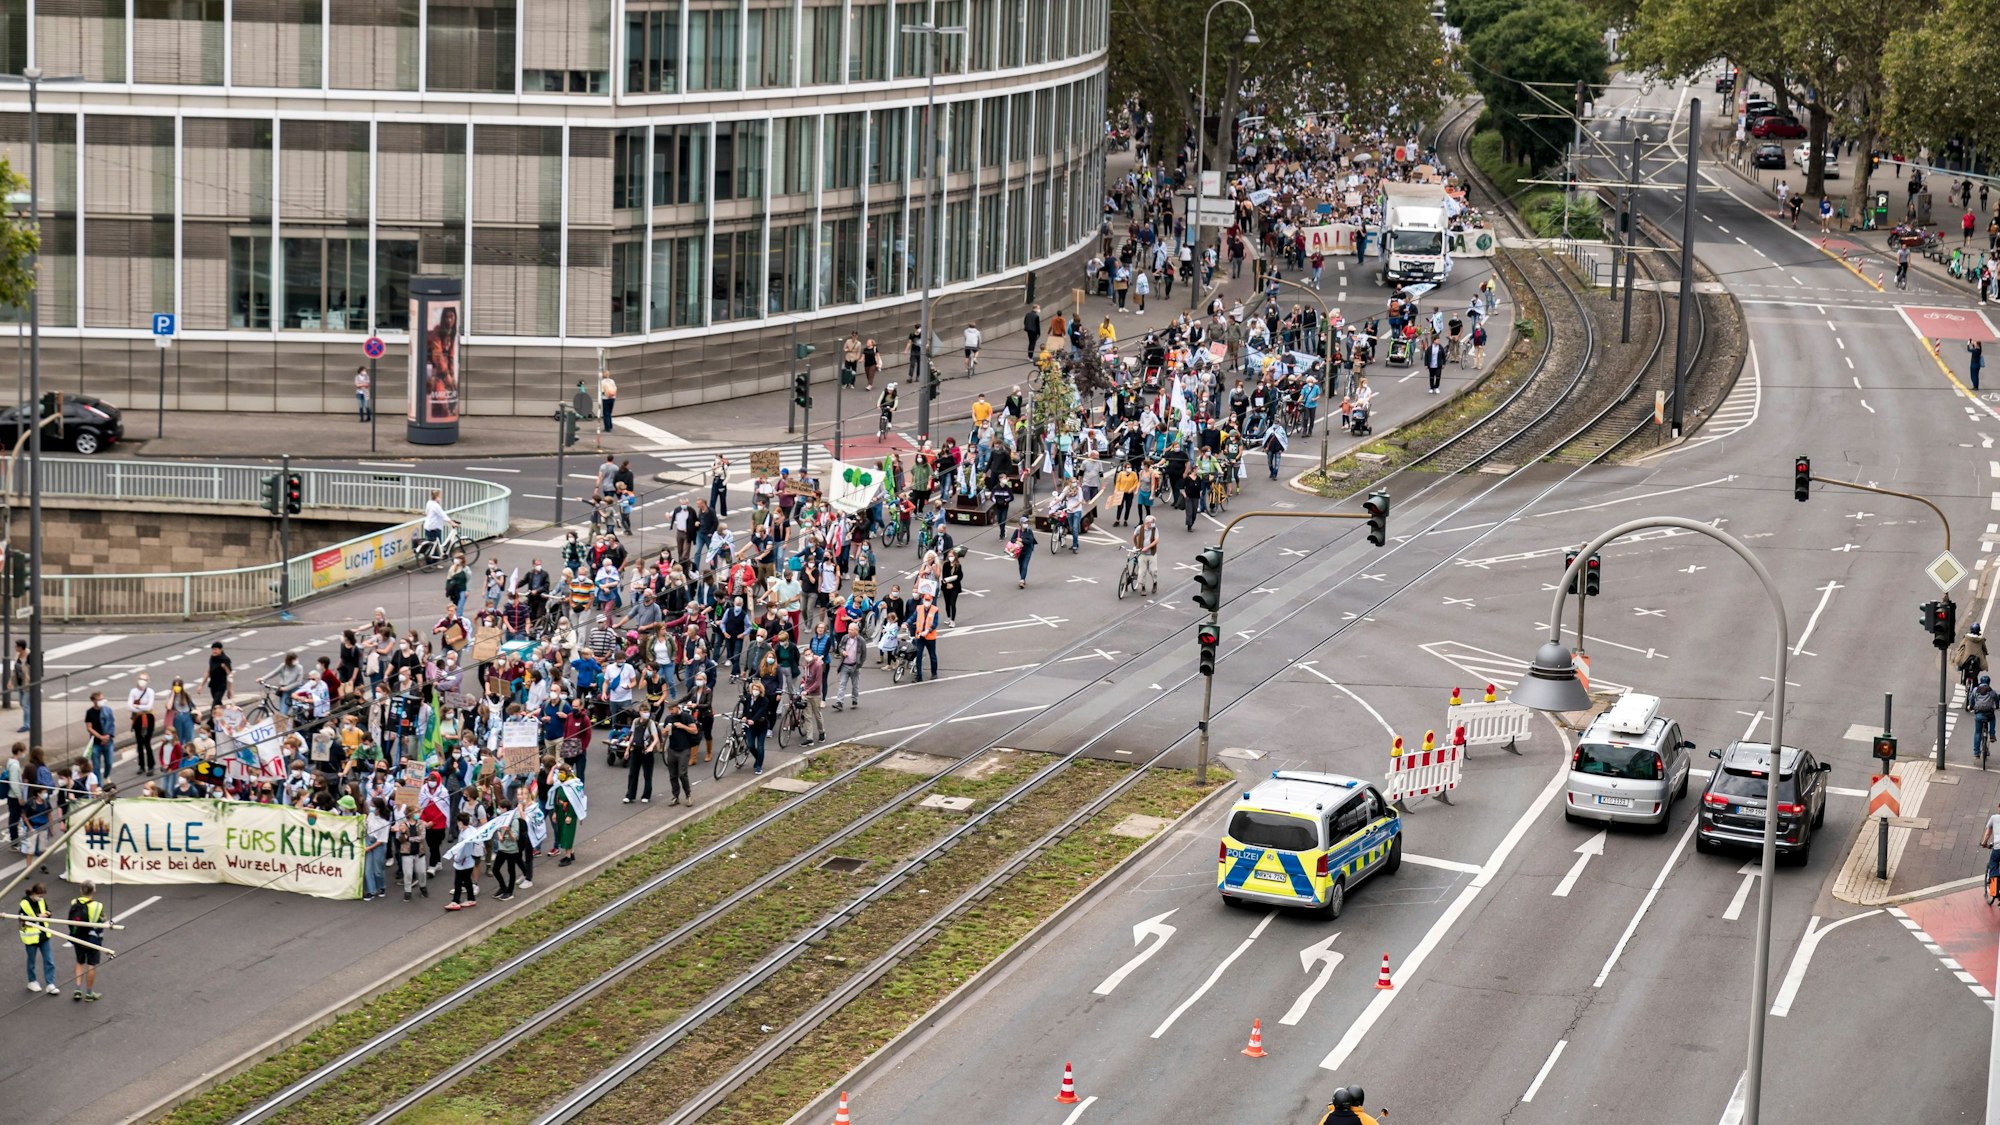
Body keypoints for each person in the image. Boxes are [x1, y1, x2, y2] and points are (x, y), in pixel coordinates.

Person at [67, 883, 107, 1001]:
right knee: (91, 964)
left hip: (78, 936)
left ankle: (78, 989)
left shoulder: (74, 902)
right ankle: (89, 993)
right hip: (92, 938)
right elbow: (102, 919)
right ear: (93, 891)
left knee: (80, 962)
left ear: (81, 890)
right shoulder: (98, 906)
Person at [20, 881, 56, 994]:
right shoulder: (25, 903)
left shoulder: (41, 901)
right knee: (31, 961)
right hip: (31, 938)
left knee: (49, 960)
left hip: (44, 935)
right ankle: (32, 981)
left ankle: (50, 983)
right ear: (34, 893)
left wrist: (46, 914)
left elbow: (47, 911)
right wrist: (40, 916)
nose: (41, 898)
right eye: (40, 896)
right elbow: (25, 918)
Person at [445, 810, 480, 910]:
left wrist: (457, 858)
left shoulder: (465, 835)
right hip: (469, 862)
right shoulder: (470, 830)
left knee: (458, 882)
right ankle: (471, 899)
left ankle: (455, 901)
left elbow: (464, 850)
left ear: (460, 822)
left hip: (463, 862)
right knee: (467, 881)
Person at [742, 680, 775, 774]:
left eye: (757, 689)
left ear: (761, 691)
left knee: (760, 746)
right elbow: (745, 708)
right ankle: (758, 758)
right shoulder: (748, 697)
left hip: (761, 726)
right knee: (751, 745)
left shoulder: (764, 700)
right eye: (754, 689)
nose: (755, 691)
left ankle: (759, 766)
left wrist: (753, 719)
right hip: (750, 726)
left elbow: (761, 711)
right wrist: (744, 716)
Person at [1972, 674, 1999, 760]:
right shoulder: (1991, 691)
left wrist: (1972, 706)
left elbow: (1971, 699)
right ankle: (1992, 735)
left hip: (1979, 714)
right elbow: (1997, 699)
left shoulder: (1975, 690)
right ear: (1988, 683)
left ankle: (1976, 753)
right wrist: (1997, 706)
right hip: (1989, 714)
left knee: (1977, 733)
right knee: (1993, 718)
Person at [1132, 514, 1159, 596]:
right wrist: (1137, 546)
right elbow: (1134, 536)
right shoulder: (1140, 528)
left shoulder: (1155, 529)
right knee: (1142, 572)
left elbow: (1156, 540)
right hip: (1142, 554)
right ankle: (1143, 587)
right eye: (1152, 522)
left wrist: (1147, 547)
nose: (1153, 524)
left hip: (1152, 554)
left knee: (1153, 570)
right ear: (1147, 523)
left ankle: (1155, 582)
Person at [1008, 515, 1038, 588]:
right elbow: (1012, 539)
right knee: (1021, 565)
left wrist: (1022, 540)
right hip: (1019, 551)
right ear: (1020, 524)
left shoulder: (1029, 531)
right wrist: (1017, 542)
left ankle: (1022, 580)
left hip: (1028, 550)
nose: (1026, 524)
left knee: (1025, 565)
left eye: (1027, 522)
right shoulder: (1017, 531)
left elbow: (1030, 541)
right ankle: (1023, 578)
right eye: (1024, 522)